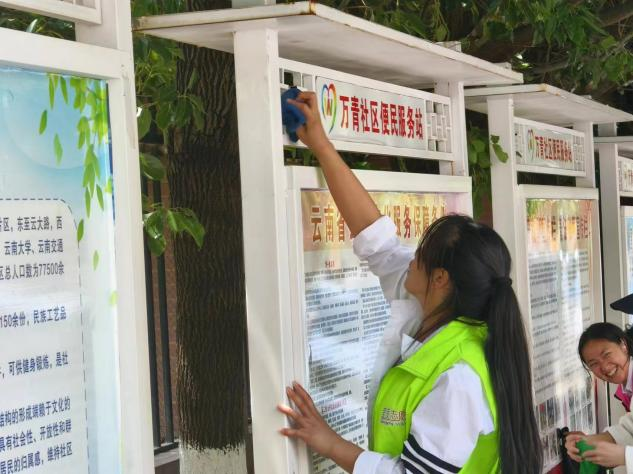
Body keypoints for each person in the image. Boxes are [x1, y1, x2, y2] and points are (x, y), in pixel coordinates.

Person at [277, 91, 543, 474]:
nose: (409, 258)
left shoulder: (461, 375)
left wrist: (330, 443)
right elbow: (377, 242)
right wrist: (320, 144)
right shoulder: (440, 314)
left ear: (440, 279)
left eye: (420, 254)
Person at [565, 293, 633, 470]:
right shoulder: (627, 388)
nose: (604, 367)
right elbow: (629, 430)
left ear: (623, 345)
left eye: (607, 354)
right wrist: (586, 442)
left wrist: (625, 456)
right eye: (594, 363)